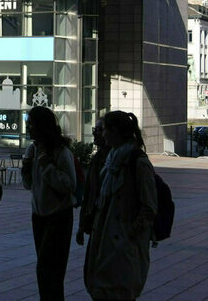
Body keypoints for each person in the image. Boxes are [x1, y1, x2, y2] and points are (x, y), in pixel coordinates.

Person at [84, 111, 158, 301]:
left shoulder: (137, 163)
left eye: (105, 129)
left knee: (120, 292)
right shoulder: (110, 161)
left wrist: (129, 236)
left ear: (115, 131)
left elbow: (148, 207)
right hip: (105, 240)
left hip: (123, 246)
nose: (102, 134)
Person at [22, 106, 76, 301]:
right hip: (39, 217)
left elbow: (69, 184)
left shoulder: (60, 152)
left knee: (48, 269)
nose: (28, 128)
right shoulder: (33, 149)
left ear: (43, 126)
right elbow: (29, 185)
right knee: (45, 269)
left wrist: (47, 165)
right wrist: (26, 168)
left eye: (31, 125)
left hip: (58, 217)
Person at [77, 118, 108, 245]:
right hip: (97, 221)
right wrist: (81, 225)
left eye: (99, 130)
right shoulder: (97, 159)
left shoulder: (123, 161)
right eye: (94, 130)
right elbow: (88, 194)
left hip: (112, 226)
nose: (95, 133)